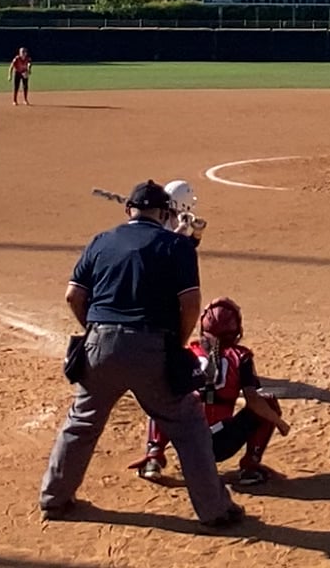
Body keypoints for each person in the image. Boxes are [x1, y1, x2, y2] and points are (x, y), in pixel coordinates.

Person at [39, 180, 245, 530]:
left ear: (128, 210)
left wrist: (95, 331)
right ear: (164, 214)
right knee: (188, 427)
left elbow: (73, 295)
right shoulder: (177, 246)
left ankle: (53, 499)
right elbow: (190, 304)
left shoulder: (101, 241)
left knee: (82, 422)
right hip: (152, 347)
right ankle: (215, 510)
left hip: (100, 346)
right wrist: (177, 344)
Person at [131, 297, 289, 487]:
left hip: (187, 440)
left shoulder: (189, 352)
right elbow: (254, 401)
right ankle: (250, 467)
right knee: (267, 401)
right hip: (221, 444)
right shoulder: (240, 357)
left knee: (163, 397)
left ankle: (154, 456)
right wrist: (279, 423)